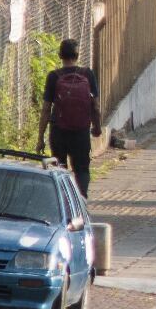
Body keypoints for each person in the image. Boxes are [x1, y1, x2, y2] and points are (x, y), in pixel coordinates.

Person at [36, 39, 102, 197]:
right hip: (81, 132)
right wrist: (97, 127)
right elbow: (95, 106)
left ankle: (64, 202)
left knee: (60, 169)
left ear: (60, 55)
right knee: (82, 169)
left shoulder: (53, 76)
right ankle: (82, 200)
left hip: (59, 131)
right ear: (77, 55)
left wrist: (40, 138)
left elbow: (46, 109)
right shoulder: (87, 74)